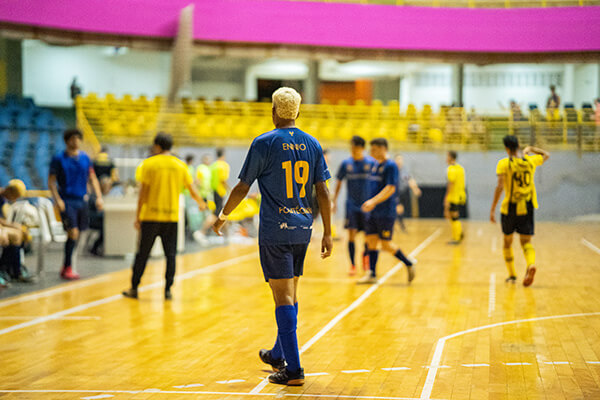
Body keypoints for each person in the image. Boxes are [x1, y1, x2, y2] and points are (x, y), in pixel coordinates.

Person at [212, 87, 332, 386]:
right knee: (292, 292)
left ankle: (294, 370)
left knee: (283, 298)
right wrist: (328, 232)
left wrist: (223, 215)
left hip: (275, 231)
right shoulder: (313, 143)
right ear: (298, 112)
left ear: (274, 111)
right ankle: (278, 353)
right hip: (302, 229)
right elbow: (323, 191)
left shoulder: (264, 142)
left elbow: (242, 186)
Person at [122, 133, 206, 300]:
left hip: (150, 217)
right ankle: (168, 290)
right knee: (171, 255)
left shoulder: (148, 164)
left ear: (157, 146)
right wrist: (201, 203)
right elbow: (192, 189)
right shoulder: (180, 165)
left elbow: (143, 194)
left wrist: (138, 216)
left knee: (142, 254)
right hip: (171, 217)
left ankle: (134, 288)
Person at [490, 135, 549, 287]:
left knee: (507, 242)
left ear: (506, 148)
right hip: (527, 207)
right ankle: (531, 264)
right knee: (526, 243)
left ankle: (512, 274)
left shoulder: (503, 163)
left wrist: (493, 208)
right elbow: (546, 155)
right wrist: (531, 149)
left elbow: (500, 186)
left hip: (509, 207)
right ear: (518, 146)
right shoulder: (530, 161)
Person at [49, 129, 104, 280]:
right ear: (67, 141)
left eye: (78, 138)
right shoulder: (59, 158)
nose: (76, 141)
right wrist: (57, 199)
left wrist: (99, 197)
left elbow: (92, 178)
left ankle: (67, 265)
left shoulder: (85, 158)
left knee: (79, 233)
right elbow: (51, 181)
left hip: (82, 200)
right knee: (72, 232)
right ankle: (68, 266)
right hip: (67, 200)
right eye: (72, 138)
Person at [359, 138, 415, 284]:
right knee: (371, 241)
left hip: (385, 212)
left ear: (383, 149)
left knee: (385, 244)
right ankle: (372, 274)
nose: (371, 152)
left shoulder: (391, 166)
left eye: (374, 149)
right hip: (373, 212)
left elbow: (390, 188)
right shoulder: (375, 165)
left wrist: (373, 201)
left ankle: (408, 263)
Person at [332, 136, 374, 275]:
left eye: (354, 147)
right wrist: (334, 201)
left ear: (362, 148)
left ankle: (365, 258)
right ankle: (352, 265)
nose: (352, 149)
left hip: (367, 205)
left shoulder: (371, 163)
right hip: (351, 205)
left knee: (368, 236)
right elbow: (338, 183)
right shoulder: (346, 164)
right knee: (351, 235)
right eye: (351, 147)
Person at [0, 179, 34, 285]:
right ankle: (3, 268)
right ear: (10, 191)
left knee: (18, 234)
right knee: (8, 235)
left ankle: (15, 271)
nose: (15, 199)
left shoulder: (3, 199)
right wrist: (7, 227)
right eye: (15, 196)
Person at [444, 151, 466, 245]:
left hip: (453, 196)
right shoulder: (460, 168)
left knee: (453, 216)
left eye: (447, 156)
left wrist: (446, 197)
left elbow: (451, 184)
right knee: (455, 216)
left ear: (450, 157)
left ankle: (456, 237)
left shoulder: (451, 169)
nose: (446, 158)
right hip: (461, 195)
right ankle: (459, 233)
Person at [394, 154, 421, 232]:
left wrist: (415, 189)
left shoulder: (404, 171)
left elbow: (409, 180)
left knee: (400, 209)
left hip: (402, 192)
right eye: (398, 159)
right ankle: (401, 226)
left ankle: (399, 224)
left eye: (400, 159)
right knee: (398, 208)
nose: (399, 161)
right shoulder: (392, 169)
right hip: (394, 192)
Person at [210, 148, 230, 217]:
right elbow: (223, 180)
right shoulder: (224, 165)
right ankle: (208, 223)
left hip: (214, 190)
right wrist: (229, 189)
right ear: (223, 155)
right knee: (219, 211)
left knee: (217, 210)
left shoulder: (213, 165)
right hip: (220, 191)